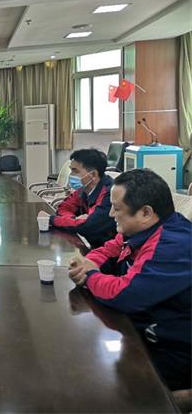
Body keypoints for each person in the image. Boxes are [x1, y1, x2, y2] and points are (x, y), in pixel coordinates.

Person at [68, 169, 191, 391]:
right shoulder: (140, 231)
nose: (111, 214)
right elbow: (109, 248)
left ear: (145, 213)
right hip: (140, 330)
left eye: (117, 209)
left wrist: (89, 277)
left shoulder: (172, 245)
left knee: (100, 385)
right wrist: (88, 263)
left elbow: (125, 294)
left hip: (172, 350)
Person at [38, 148, 116, 247]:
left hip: (108, 251)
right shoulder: (84, 189)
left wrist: (51, 220)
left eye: (75, 171)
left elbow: (88, 226)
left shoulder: (110, 195)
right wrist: (74, 219)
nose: (71, 175)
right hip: (90, 245)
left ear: (93, 175)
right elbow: (63, 208)